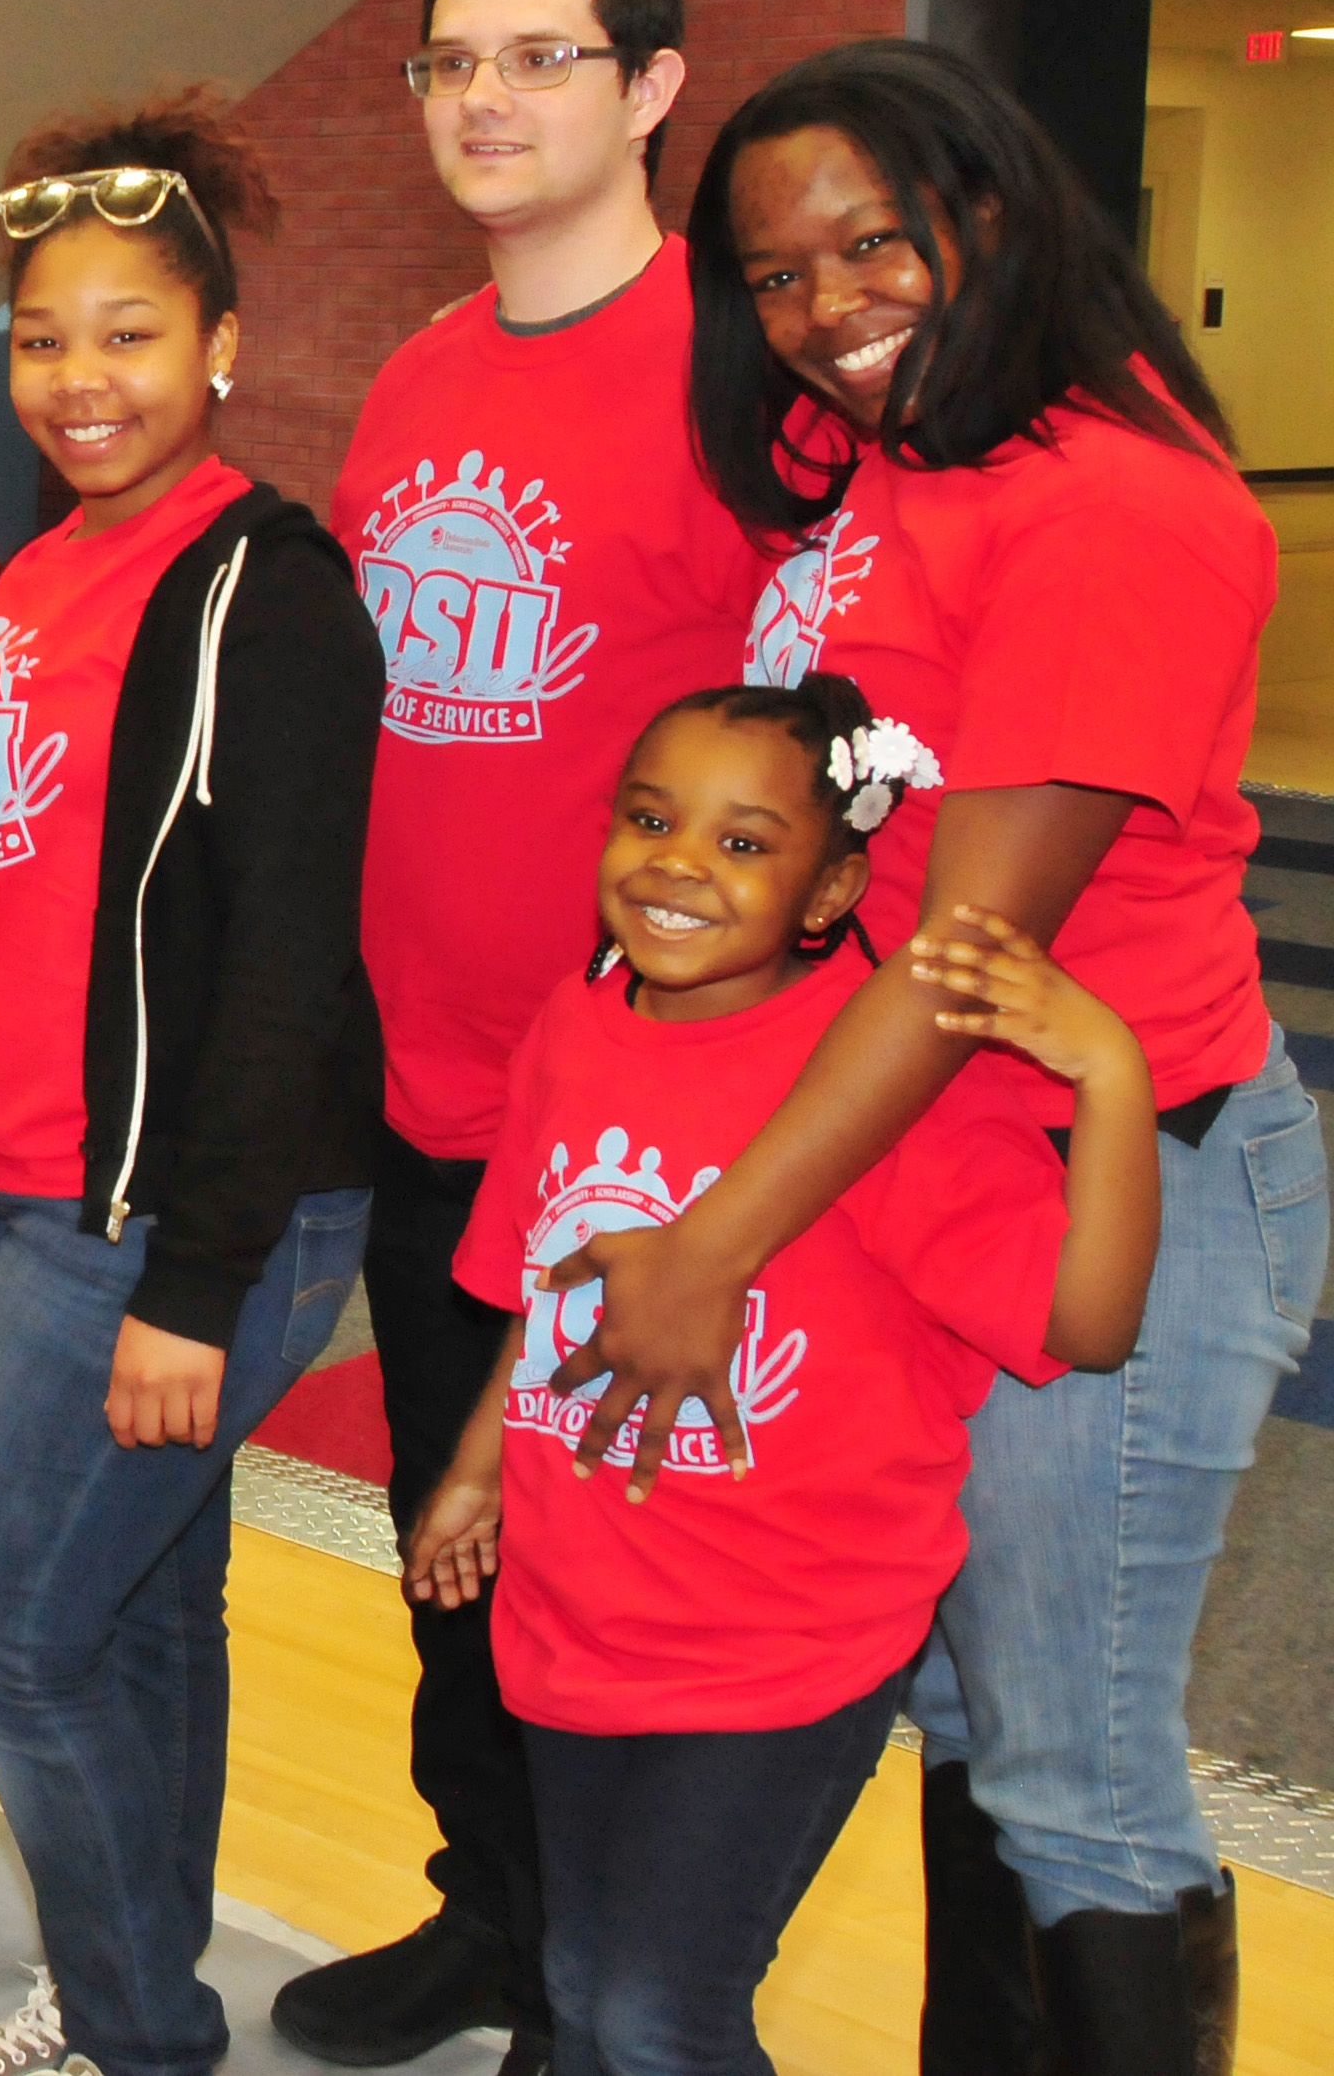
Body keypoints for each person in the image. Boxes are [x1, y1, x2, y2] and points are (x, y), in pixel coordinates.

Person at [562, 37, 1318, 2069]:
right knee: (972, 1711)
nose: (822, 313)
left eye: (868, 248)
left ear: (983, 218)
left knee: (1070, 1756)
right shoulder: (922, 457)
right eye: (777, 277)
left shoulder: (1114, 510)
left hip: (1110, 1168)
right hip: (931, 1160)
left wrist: (712, 1237)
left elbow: (967, 943)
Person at [281, 0, 763, 2073]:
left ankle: (611, 1988)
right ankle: (487, 1915)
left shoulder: (741, 384)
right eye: (449, 63)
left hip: (641, 1130)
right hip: (428, 1096)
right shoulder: (411, 377)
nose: (482, 101)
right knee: (444, 1540)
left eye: (536, 58)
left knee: (620, 1573)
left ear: (651, 86)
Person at [406, 677, 1154, 2073]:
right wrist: (475, 1470)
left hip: (779, 1646)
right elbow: (543, 1274)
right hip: (580, 1614)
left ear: (834, 890)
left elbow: (1088, 1323)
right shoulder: (577, 1026)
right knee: (578, 1979)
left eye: (746, 843)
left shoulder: (884, 1086)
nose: (679, 862)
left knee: (657, 2015)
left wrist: (1109, 1075)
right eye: (650, 819)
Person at [0, 96, 384, 2076]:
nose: (77, 379)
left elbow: (278, 963)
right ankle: (128, 1995)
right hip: (28, 1193)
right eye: (39, 337)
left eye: (126, 335)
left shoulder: (262, 586)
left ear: (219, 348)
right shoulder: (42, 567)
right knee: (142, 1616)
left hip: (156, 1220)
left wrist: (189, 1275)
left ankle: (126, 2032)